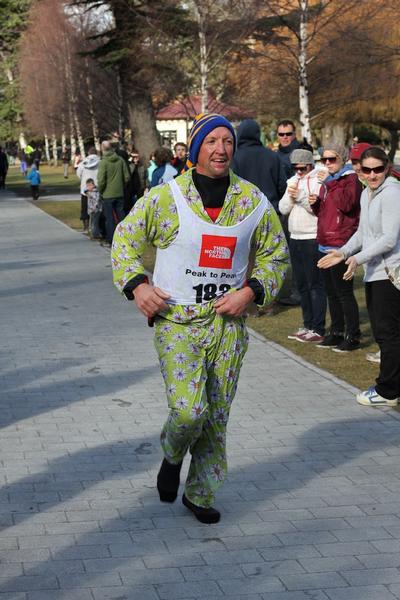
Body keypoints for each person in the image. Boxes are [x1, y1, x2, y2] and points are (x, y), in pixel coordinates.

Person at [111, 113, 289, 524]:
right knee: (190, 410)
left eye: (227, 141)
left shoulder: (253, 202)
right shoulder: (165, 198)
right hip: (177, 322)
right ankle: (172, 455)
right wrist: (138, 286)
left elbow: (275, 257)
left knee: (217, 415)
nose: (221, 149)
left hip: (227, 326)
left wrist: (251, 292)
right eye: (212, 142)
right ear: (195, 150)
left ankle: (200, 493)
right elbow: (125, 239)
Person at [318, 146, 400, 406]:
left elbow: (389, 239)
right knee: (384, 333)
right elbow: (363, 233)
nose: (373, 174)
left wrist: (357, 258)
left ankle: (388, 391)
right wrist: (343, 253)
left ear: (387, 167)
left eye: (378, 169)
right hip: (375, 272)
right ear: (360, 170)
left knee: (388, 334)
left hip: (390, 272)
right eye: (367, 170)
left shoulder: (392, 194)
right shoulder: (367, 193)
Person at [310, 141, 362, 352]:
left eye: (332, 159)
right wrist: (316, 204)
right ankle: (337, 331)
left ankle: (353, 335)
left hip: (342, 245)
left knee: (344, 293)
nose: (328, 163)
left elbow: (347, 204)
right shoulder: (330, 182)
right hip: (325, 242)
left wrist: (330, 182)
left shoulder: (350, 179)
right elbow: (326, 213)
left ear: (343, 159)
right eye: (325, 160)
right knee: (331, 292)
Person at [279, 149, 326, 343]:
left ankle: (318, 327)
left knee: (315, 284)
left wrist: (300, 196)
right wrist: (291, 196)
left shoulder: (319, 180)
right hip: (295, 236)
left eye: (302, 168)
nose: (299, 172)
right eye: (295, 168)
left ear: (310, 165)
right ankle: (307, 324)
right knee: (302, 284)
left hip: (312, 236)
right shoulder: (292, 181)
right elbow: (283, 208)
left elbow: (318, 210)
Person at [231, 118, 287, 214]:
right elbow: (282, 186)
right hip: (270, 210)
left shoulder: (235, 158)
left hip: (245, 212)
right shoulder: (273, 156)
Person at [97, 140, 130, 246]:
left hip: (107, 194)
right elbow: (127, 177)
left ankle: (111, 239)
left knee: (109, 218)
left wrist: (100, 190)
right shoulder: (120, 160)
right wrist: (121, 185)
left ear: (102, 148)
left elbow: (101, 180)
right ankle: (125, 237)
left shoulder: (104, 162)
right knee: (121, 216)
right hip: (119, 192)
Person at [76, 148, 100, 234]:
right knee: (97, 208)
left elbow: (78, 173)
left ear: (88, 153)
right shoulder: (100, 162)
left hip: (85, 188)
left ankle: (85, 226)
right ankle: (95, 226)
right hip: (96, 188)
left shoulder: (83, 163)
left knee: (84, 207)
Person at [125, 150, 146, 214]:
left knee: (140, 203)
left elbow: (145, 177)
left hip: (140, 187)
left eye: (137, 156)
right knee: (131, 204)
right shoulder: (129, 165)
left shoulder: (142, 166)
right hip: (131, 188)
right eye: (134, 157)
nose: (136, 158)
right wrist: (133, 164)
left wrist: (146, 186)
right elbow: (129, 174)